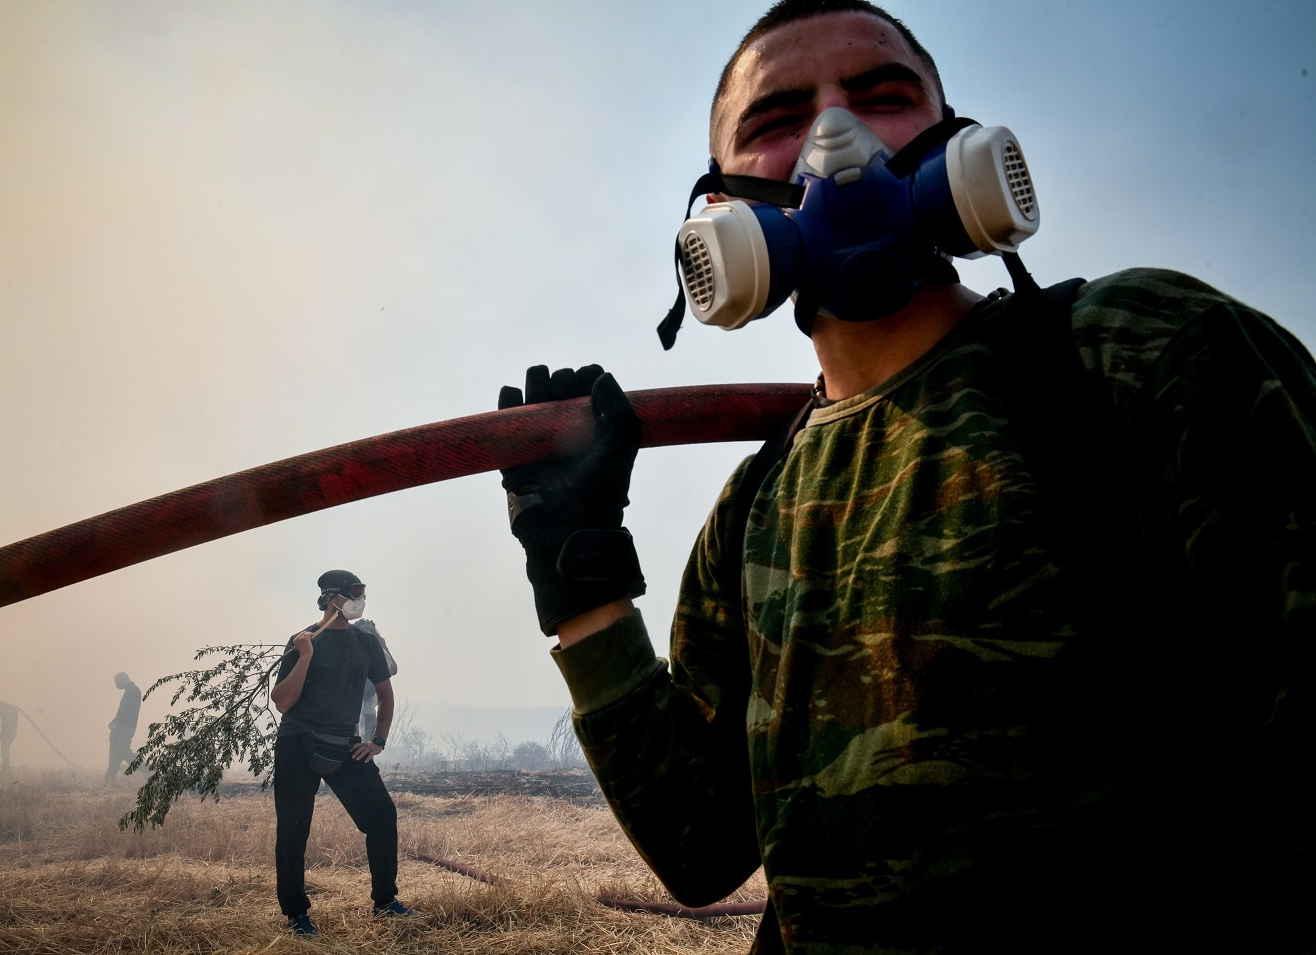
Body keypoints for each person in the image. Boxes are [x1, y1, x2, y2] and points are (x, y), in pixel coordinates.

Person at [497, 3, 1313, 952]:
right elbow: (701, 844)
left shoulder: (1144, 353)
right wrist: (579, 578)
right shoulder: (753, 506)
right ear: (719, 209)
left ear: (952, 142)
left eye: (882, 98)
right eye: (776, 120)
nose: (833, 141)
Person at [270, 570, 413, 937]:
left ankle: (385, 902)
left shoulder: (365, 643)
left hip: (345, 743)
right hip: (298, 742)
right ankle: (296, 915)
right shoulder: (302, 640)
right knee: (293, 828)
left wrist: (377, 741)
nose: (359, 600)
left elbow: (385, 692)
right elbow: (283, 702)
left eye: (362, 593)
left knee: (382, 815)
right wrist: (304, 656)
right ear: (332, 597)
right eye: (353, 593)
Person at [357, 635, 398, 744]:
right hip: (368, 710)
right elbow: (393, 669)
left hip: (353, 711)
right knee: (366, 749)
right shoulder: (379, 653)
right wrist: (384, 645)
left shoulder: (354, 651)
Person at [106, 672, 142, 784]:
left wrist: (116, 722)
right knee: (119, 752)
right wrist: (115, 722)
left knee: (121, 752)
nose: (116, 685)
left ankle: (148, 769)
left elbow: (126, 712)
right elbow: (123, 712)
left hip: (126, 727)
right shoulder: (130, 691)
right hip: (122, 727)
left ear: (123, 679)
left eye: (117, 682)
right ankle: (109, 777)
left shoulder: (133, 691)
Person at [0, 700, 18, 770]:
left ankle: (6, 768)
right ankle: (5, 768)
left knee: (4, 752)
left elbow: (8, 726)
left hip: (8, 735)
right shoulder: (11, 711)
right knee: (4, 751)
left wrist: (2, 735)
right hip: (8, 734)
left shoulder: (10, 712)